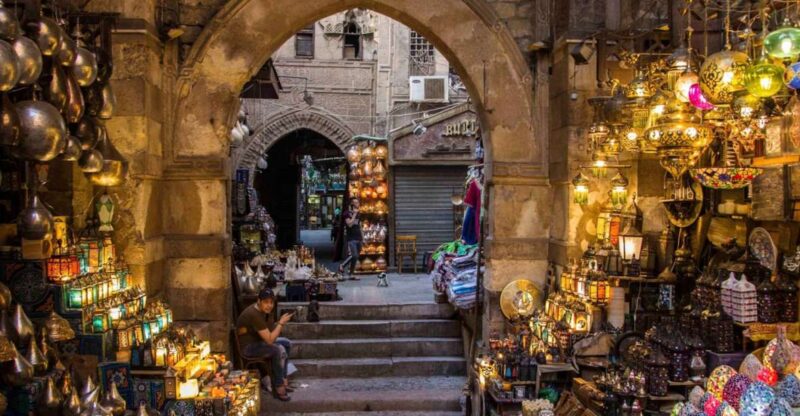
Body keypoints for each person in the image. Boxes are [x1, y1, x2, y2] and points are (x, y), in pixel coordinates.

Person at [236, 288, 294, 401]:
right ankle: (279, 386)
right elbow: (270, 340)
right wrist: (281, 324)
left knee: (286, 343)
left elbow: (270, 331)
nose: (269, 305)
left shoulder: (263, 312)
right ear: (259, 301)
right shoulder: (254, 314)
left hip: (258, 341)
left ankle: (283, 379)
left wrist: (270, 317)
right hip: (248, 347)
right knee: (277, 350)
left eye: (271, 302)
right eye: (266, 302)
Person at [338, 199, 363, 279]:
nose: (358, 204)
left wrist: (363, 237)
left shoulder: (358, 213)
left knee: (356, 256)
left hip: (358, 236)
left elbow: (359, 225)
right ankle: (342, 265)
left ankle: (351, 274)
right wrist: (354, 214)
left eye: (358, 202)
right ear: (352, 204)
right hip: (351, 237)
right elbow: (349, 224)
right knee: (354, 255)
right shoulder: (346, 213)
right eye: (356, 202)